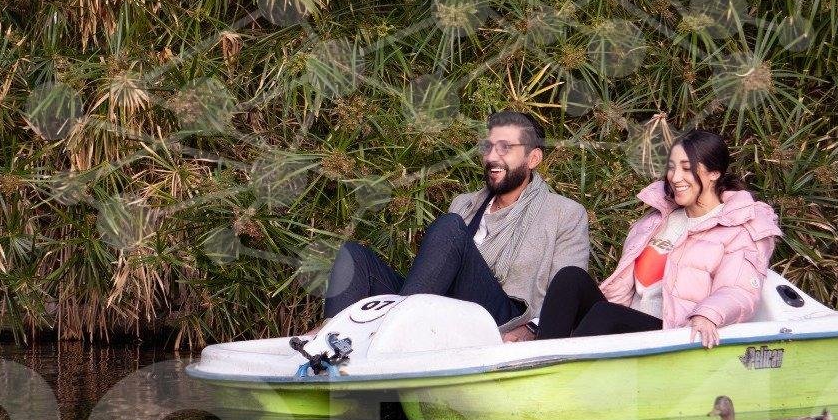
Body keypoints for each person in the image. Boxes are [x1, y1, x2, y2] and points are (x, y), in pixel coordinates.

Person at [320, 111, 591, 339]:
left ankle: (394, 331)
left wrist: (532, 330)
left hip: (502, 315)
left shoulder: (564, 213)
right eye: (488, 147)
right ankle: (328, 338)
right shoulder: (465, 204)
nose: (492, 158)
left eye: (506, 148)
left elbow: (569, 292)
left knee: (450, 227)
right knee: (354, 256)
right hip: (449, 308)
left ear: (533, 158)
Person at [528, 128, 781, 347]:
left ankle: (562, 379)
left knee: (606, 315)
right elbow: (625, 290)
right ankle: (539, 360)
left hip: (674, 332)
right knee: (570, 278)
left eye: (687, 168)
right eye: (671, 168)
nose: (675, 177)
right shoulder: (657, 220)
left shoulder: (739, 227)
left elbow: (739, 291)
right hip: (628, 321)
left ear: (714, 173)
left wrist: (708, 314)